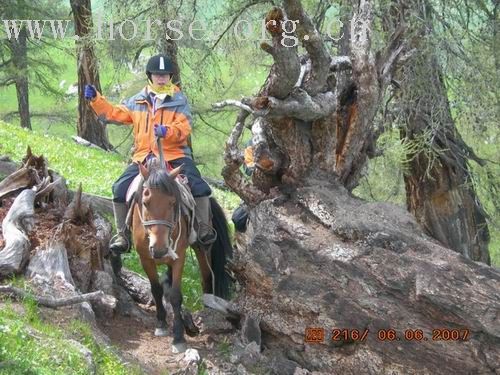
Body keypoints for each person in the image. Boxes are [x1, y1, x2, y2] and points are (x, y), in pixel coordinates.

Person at [84, 54, 215, 253]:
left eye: (165, 75)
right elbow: (113, 114)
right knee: (119, 188)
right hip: (143, 157)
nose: (161, 78)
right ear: (150, 76)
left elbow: (185, 128)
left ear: (170, 76)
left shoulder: (179, 101)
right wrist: (96, 100)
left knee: (199, 186)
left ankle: (204, 229)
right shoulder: (138, 100)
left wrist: (167, 132)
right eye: (157, 74)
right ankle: (122, 236)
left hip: (174, 155)